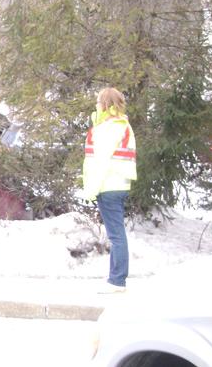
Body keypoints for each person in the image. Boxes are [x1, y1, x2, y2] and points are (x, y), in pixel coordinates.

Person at [83, 87, 137, 293]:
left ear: (104, 104)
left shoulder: (107, 128)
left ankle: (117, 281)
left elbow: (100, 163)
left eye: (98, 101)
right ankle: (116, 279)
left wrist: (91, 189)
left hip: (108, 186)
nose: (96, 104)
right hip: (119, 184)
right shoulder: (122, 124)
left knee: (116, 236)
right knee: (117, 234)